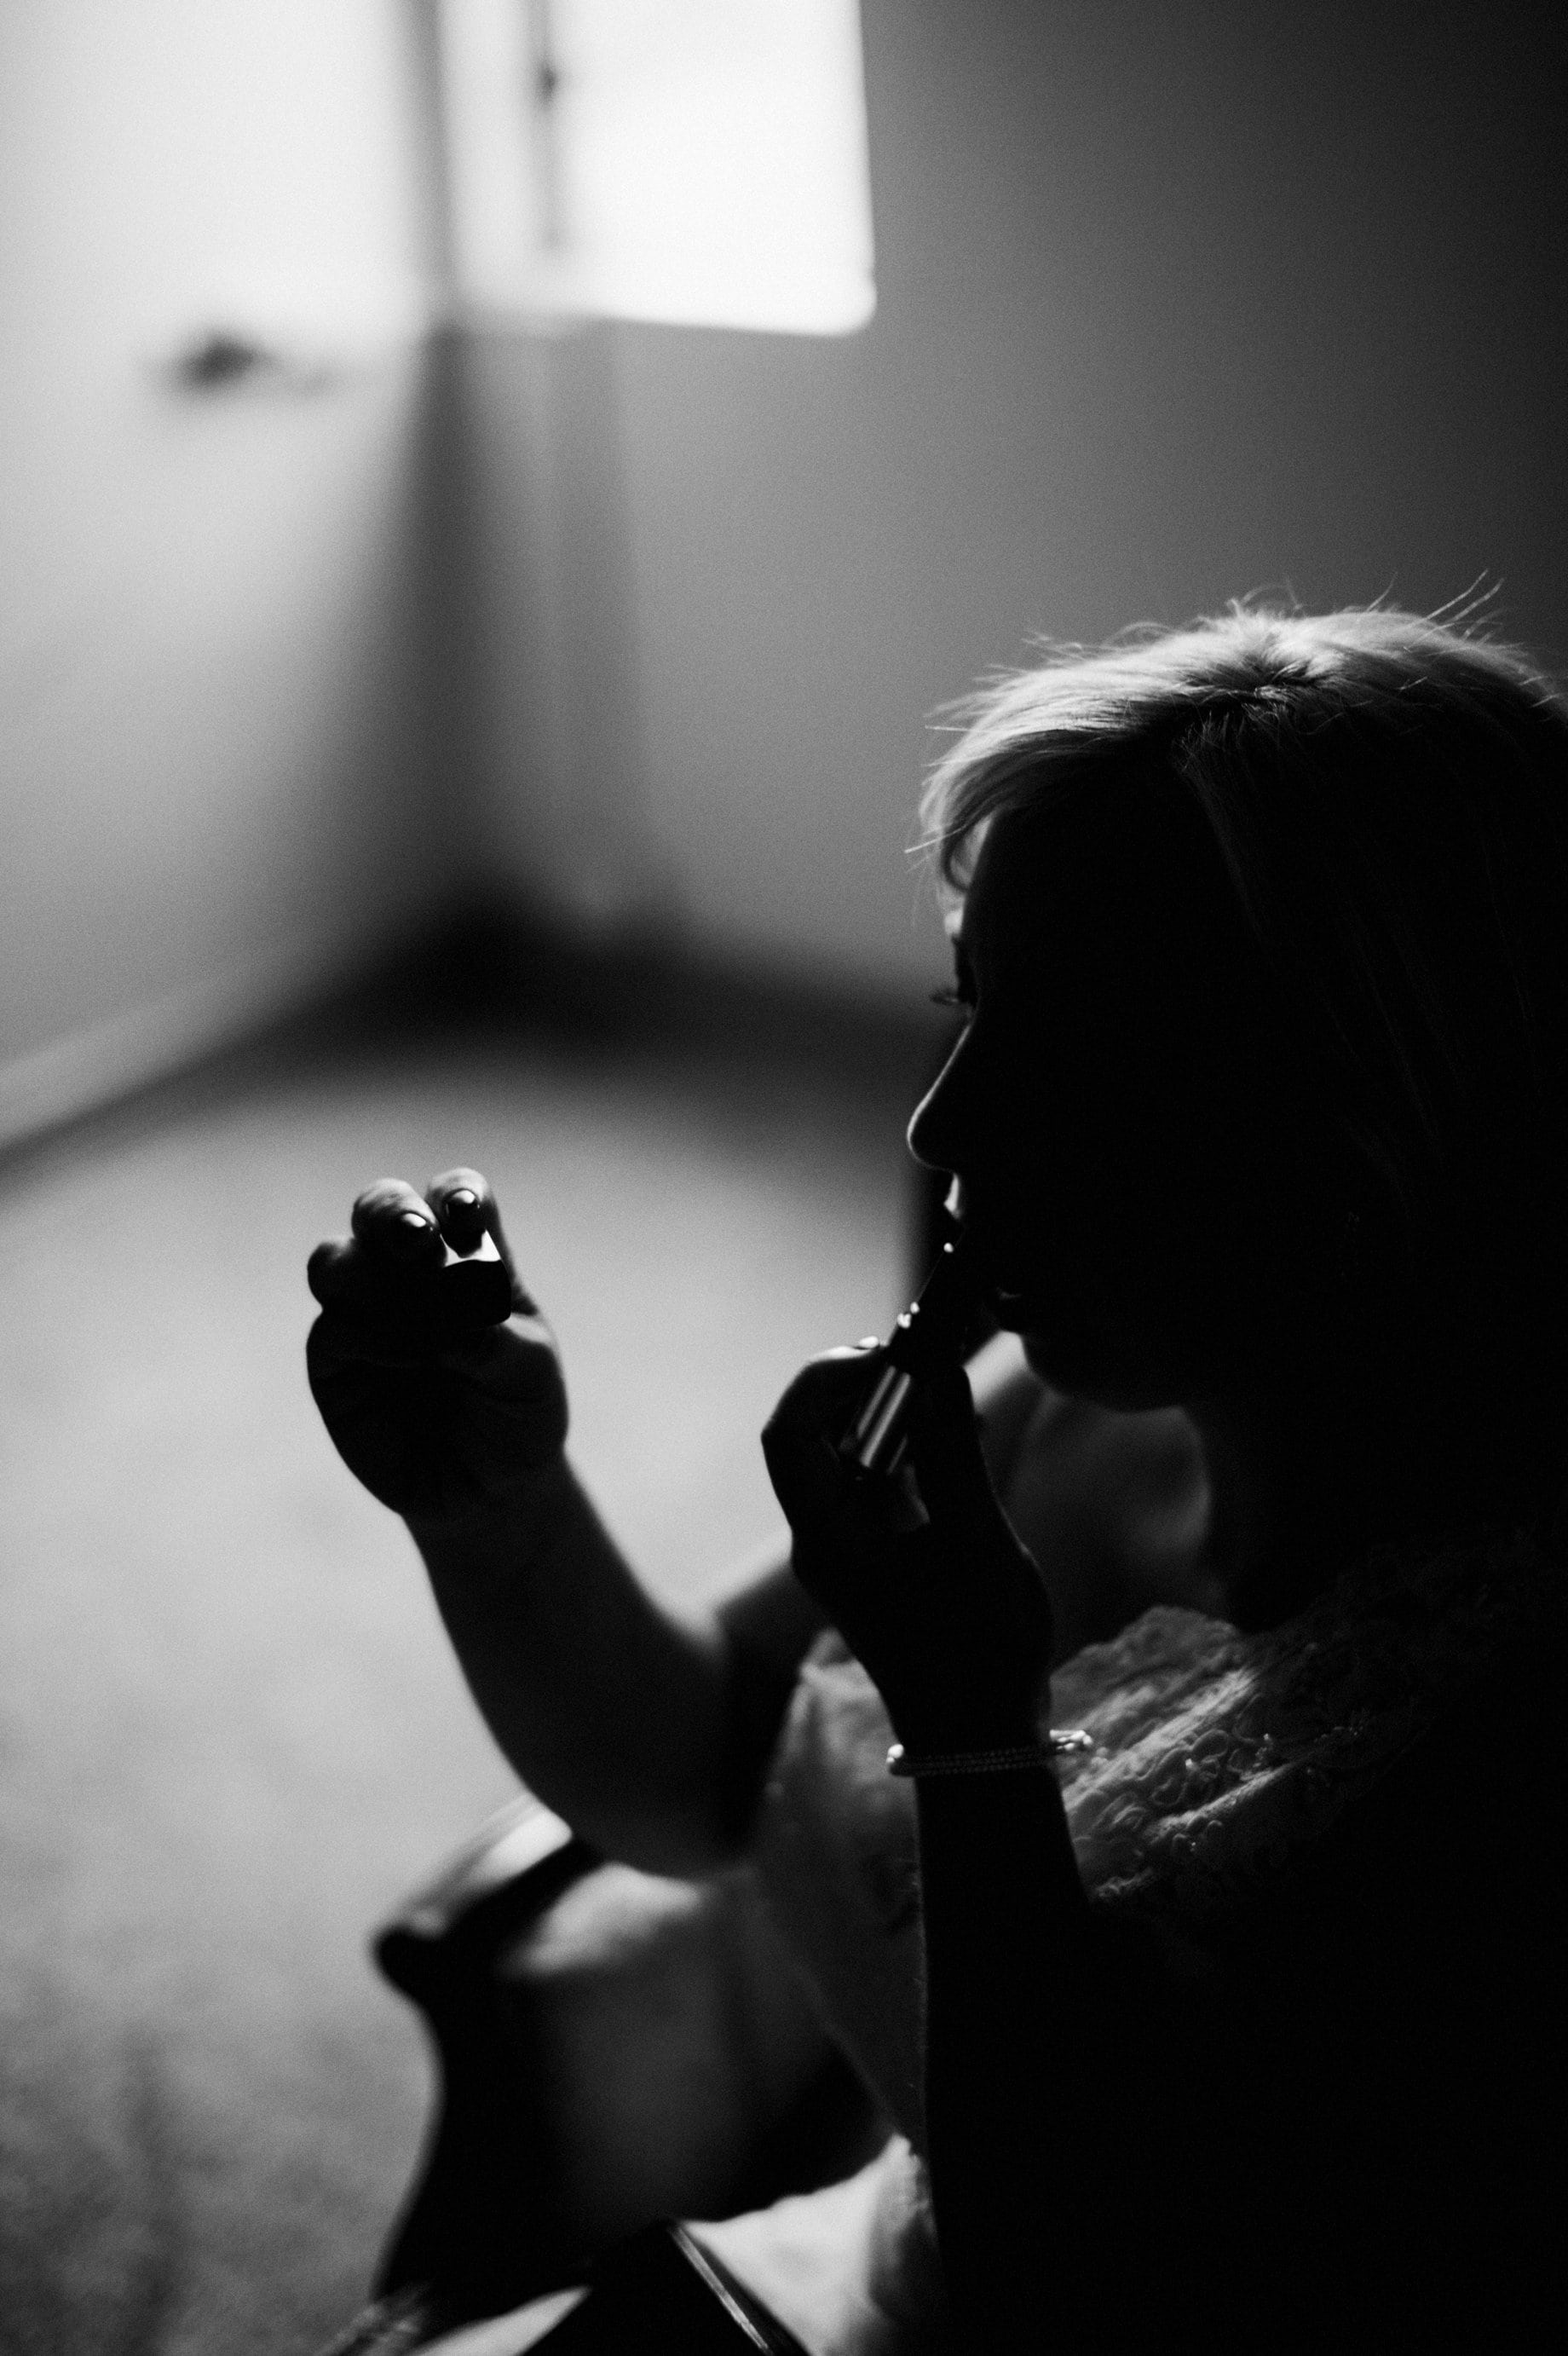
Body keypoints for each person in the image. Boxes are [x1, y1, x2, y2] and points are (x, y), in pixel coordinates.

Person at [308, 604, 1568, 2352]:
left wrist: (972, 1724)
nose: (937, 1123)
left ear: (1358, 1149)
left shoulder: (1496, 1718)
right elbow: (695, 1770)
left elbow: (1081, 2268)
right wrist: (494, 1502)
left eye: (1068, 1056)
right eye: (964, 1003)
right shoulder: (1083, 1396)